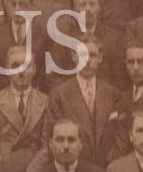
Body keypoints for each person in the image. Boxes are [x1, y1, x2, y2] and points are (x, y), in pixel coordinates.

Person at [46, 36, 123, 165]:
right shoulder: (59, 94)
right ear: (74, 57)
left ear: (100, 58)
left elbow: (120, 138)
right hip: (73, 166)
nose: (87, 61)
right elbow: (53, 139)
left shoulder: (112, 94)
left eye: (92, 55)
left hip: (107, 167)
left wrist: (110, 166)